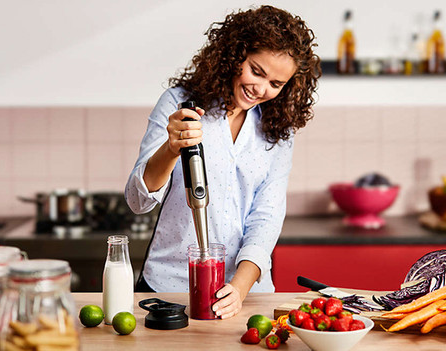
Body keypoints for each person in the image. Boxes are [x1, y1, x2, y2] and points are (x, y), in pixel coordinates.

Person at [125, 5, 321, 319]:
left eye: (276, 84)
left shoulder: (278, 131)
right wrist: (171, 148)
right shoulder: (179, 104)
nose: (261, 89)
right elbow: (138, 202)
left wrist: (240, 288)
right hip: (170, 287)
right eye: (256, 71)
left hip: (246, 294)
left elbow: (267, 217)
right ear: (235, 54)